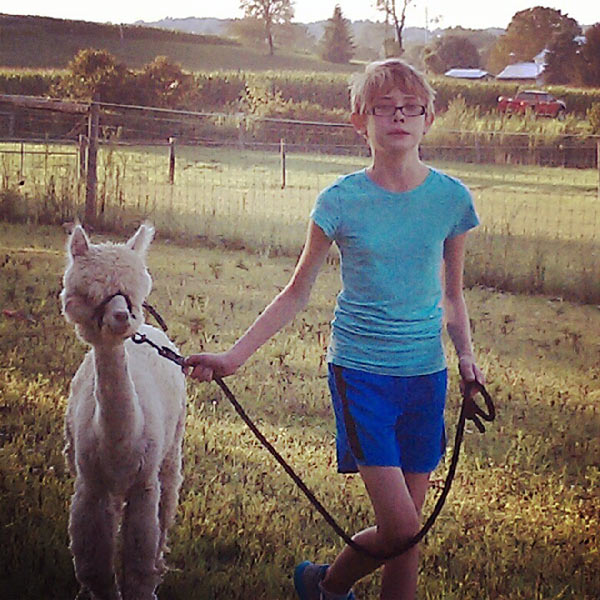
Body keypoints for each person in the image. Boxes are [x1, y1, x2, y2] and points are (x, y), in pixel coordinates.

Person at [185, 58, 485, 600]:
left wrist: (466, 360)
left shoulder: (452, 199)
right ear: (359, 121)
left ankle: (322, 585)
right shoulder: (339, 200)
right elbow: (296, 292)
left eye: (410, 107)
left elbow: (453, 296)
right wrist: (233, 357)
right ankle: (328, 585)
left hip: (426, 376)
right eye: (384, 107)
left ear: (428, 120)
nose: (399, 116)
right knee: (402, 529)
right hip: (362, 376)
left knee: (406, 538)